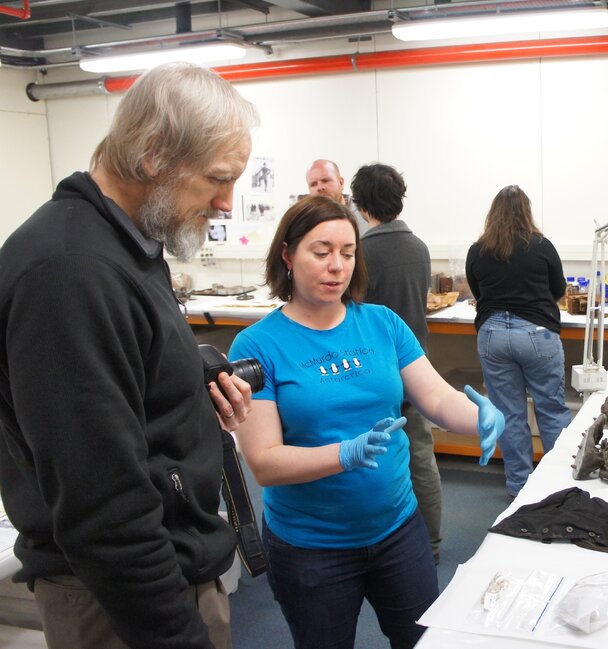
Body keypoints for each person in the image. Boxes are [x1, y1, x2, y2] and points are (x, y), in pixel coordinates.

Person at [0, 62, 258, 649]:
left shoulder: (125, 245)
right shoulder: (70, 274)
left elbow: (119, 384)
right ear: (154, 155)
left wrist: (187, 384)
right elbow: (103, 506)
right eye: (218, 179)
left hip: (166, 569)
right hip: (123, 600)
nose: (226, 202)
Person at [227, 195, 504, 649]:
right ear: (288, 255)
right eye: (321, 252)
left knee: (421, 641)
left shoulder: (381, 323)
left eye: (348, 252)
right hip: (312, 547)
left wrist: (482, 416)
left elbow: (436, 397)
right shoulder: (256, 346)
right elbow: (265, 462)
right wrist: (344, 454)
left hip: (398, 530)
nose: (337, 266)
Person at [350, 163, 444, 564]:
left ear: (360, 204)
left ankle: (376, 543)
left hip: (373, 371)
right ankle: (432, 543)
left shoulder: (362, 253)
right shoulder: (418, 247)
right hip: (414, 366)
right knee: (420, 455)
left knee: (368, 456)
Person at [465, 185, 572, 497]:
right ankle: (558, 485)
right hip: (537, 333)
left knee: (508, 414)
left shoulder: (478, 251)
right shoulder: (542, 246)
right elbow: (558, 289)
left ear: (493, 213)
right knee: (551, 410)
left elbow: (478, 292)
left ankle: (519, 487)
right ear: (527, 211)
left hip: (493, 335)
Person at [305, 158, 369, 235]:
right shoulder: (304, 220)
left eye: (325, 181)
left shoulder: (365, 213)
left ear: (341, 183)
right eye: (313, 184)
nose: (320, 187)